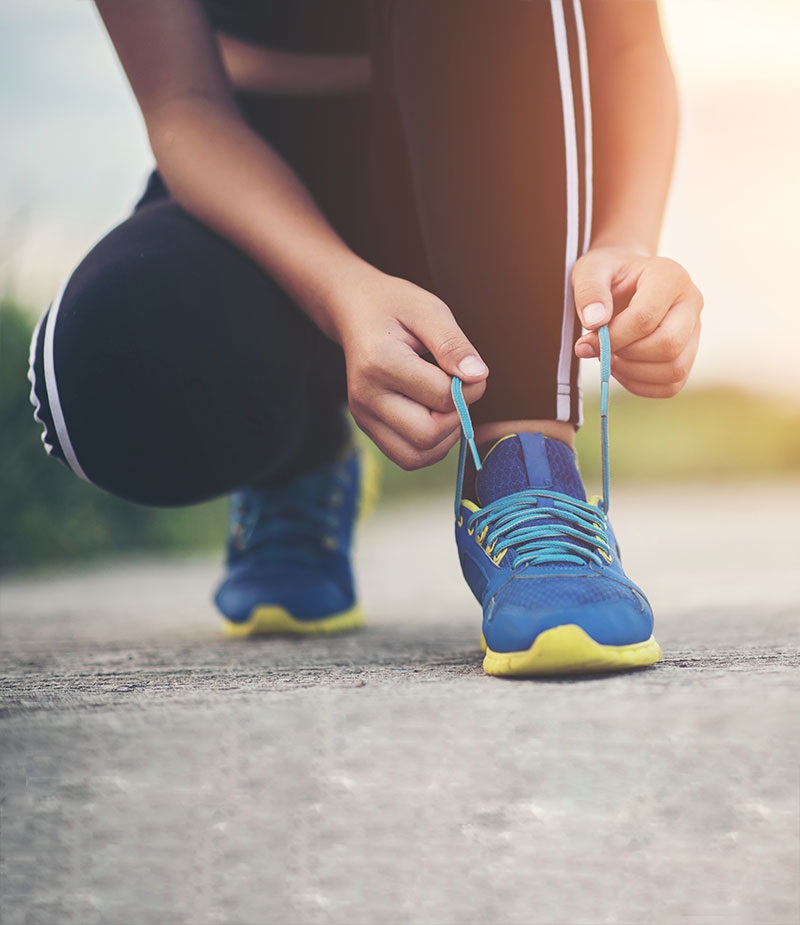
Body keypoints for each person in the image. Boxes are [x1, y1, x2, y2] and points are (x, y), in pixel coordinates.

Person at [28, 1, 702, 676]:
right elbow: (184, 102)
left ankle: (527, 467)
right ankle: (298, 454)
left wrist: (625, 242)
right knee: (103, 370)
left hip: (490, 159)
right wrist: (340, 289)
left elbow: (625, 43)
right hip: (263, 170)